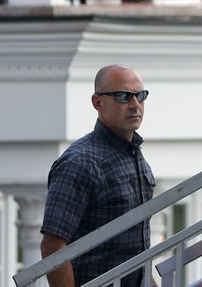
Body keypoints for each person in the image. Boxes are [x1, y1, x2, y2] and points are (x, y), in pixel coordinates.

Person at [41, 64, 156, 287]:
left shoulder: (134, 154)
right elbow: (53, 245)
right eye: (123, 96)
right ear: (97, 102)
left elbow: (135, 247)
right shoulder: (80, 162)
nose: (135, 105)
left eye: (140, 96)